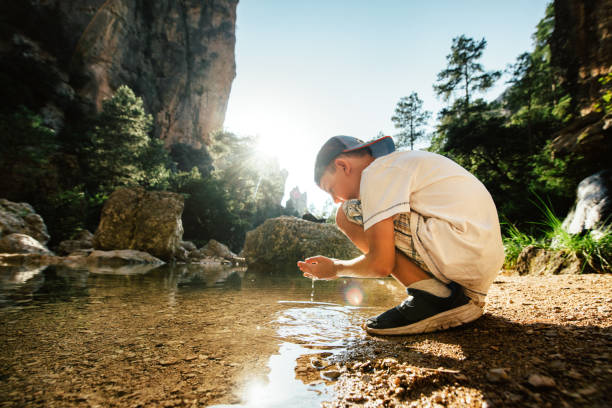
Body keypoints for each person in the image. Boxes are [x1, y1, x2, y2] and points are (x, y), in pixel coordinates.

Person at [297, 135, 504, 335]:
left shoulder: (375, 173)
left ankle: (434, 297)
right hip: (475, 258)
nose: (335, 198)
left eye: (331, 188)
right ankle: (444, 294)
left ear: (343, 166)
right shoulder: (395, 165)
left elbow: (381, 264)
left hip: (462, 249)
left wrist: (336, 268)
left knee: (345, 214)